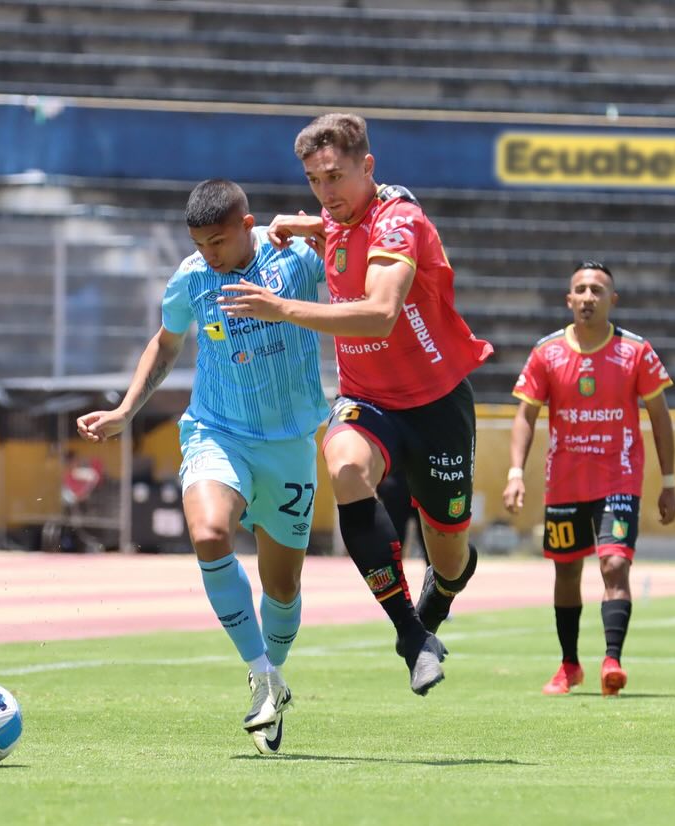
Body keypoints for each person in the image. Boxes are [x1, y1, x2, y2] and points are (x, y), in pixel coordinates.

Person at [218, 113, 493, 695]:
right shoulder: (335, 214)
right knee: (343, 465)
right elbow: (328, 223)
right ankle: (410, 636)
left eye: (336, 176)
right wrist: (297, 223)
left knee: (449, 558)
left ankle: (442, 591)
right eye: (315, 180)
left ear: (368, 167)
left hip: (437, 404)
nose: (327, 192)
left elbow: (380, 311)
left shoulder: (400, 222)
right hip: (368, 399)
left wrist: (282, 307)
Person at [77, 179, 327, 755]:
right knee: (210, 533)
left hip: (289, 442)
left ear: (248, 224)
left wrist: (316, 225)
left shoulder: (293, 257)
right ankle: (260, 671)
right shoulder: (192, 277)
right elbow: (166, 344)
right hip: (217, 432)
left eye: (218, 242)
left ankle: (275, 676)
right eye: (199, 243)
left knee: (282, 584)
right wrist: (124, 409)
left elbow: (356, 256)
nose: (209, 254)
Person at [503, 261, 675, 696]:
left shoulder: (636, 351)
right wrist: (515, 473)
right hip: (563, 481)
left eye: (597, 290)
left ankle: (612, 661)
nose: (588, 297)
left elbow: (660, 417)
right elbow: (526, 414)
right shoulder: (547, 352)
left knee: (614, 564)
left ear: (611, 300)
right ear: (569, 299)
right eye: (580, 289)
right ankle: (569, 665)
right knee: (566, 572)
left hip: (618, 478)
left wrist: (669, 482)